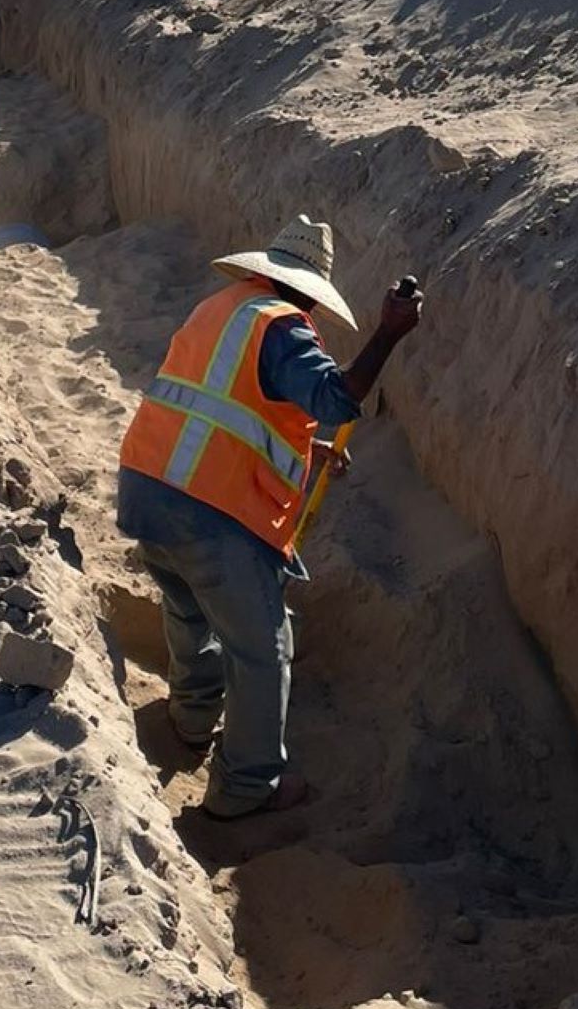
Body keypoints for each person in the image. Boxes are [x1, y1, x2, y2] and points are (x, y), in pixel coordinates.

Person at [116, 216, 422, 819]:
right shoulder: (284, 328)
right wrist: (390, 333)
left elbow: (220, 407)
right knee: (262, 648)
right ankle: (246, 788)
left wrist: (310, 451)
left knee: (188, 607)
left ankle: (191, 719)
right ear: (309, 291)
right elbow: (335, 400)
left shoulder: (220, 309)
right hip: (211, 511)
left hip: (149, 485)